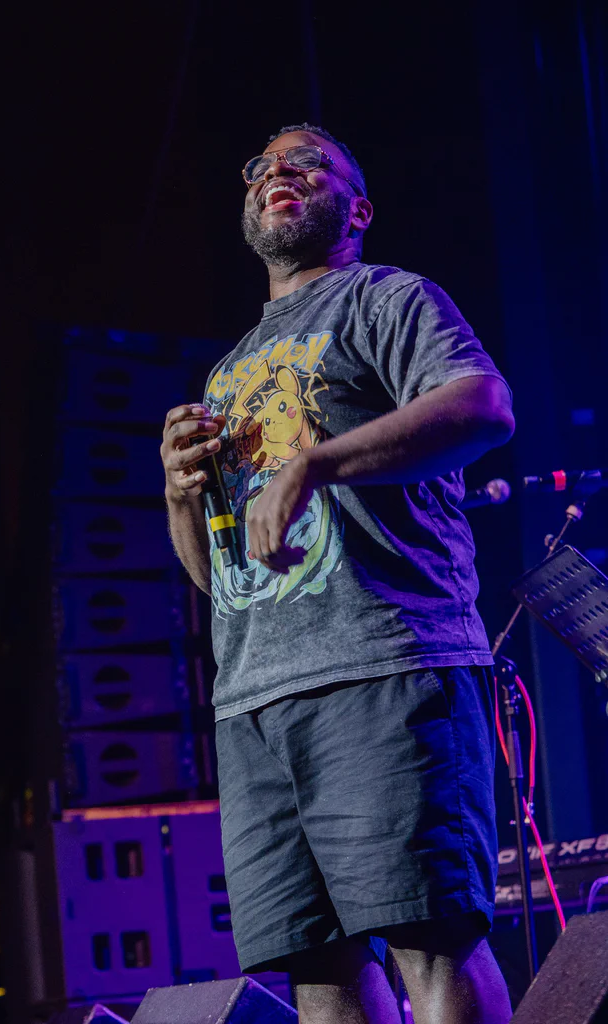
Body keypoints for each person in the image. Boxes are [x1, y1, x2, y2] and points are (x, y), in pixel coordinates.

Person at [160, 123, 515, 1024]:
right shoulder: (225, 369)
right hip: (253, 700)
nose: (277, 171)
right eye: (261, 167)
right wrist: (176, 496)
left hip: (382, 664)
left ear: (354, 208)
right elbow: (218, 579)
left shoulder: (385, 300)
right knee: (316, 972)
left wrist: (315, 464)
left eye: (307, 162)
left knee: (427, 942)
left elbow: (481, 405)